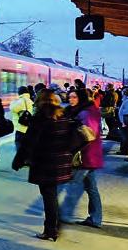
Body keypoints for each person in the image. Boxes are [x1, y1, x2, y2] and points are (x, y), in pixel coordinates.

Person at [13, 90, 80, 241]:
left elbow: (28, 142)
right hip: (60, 162)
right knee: (51, 195)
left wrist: (18, 160)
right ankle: (53, 227)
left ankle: (51, 230)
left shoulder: (40, 118)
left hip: (45, 163)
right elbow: (73, 139)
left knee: (48, 196)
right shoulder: (63, 115)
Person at [60, 88, 104, 228]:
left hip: (85, 156)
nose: (70, 100)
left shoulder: (86, 113)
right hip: (89, 155)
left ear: (81, 98)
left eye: (74, 97)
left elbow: (88, 135)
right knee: (91, 188)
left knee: (74, 184)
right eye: (70, 97)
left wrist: (72, 148)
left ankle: (65, 214)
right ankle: (96, 219)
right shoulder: (86, 110)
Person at [9, 85, 34, 154]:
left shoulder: (21, 101)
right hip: (29, 127)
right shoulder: (31, 101)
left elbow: (12, 108)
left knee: (19, 144)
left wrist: (13, 102)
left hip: (21, 127)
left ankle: (21, 160)